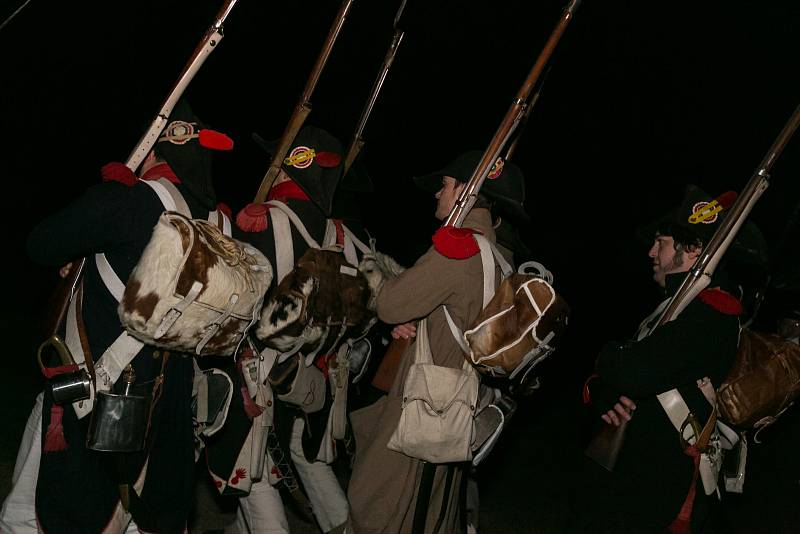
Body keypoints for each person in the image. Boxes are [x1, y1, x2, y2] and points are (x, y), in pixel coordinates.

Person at [0, 99, 234, 533]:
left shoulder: (131, 200)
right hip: (171, 409)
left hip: (101, 398)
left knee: (36, 518)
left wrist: (108, 198)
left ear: (154, 147)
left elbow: (40, 243)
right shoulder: (218, 224)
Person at [346, 150, 528, 534]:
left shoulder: (458, 249)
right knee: (430, 515)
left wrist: (393, 292)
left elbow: (392, 304)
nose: (437, 195)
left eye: (445, 186)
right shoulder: (502, 260)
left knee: (377, 505)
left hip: (423, 403)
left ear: (465, 192)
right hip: (459, 406)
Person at [205, 125, 354, 534]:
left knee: (260, 484)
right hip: (305, 377)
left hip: (257, 377)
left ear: (289, 166)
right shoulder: (340, 235)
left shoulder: (261, 220)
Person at [574, 184, 747, 533]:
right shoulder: (671, 309)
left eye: (662, 243)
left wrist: (607, 355)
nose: (652, 252)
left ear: (695, 249)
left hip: (658, 484)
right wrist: (606, 394)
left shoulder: (714, 312)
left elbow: (634, 371)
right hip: (631, 477)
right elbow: (625, 376)